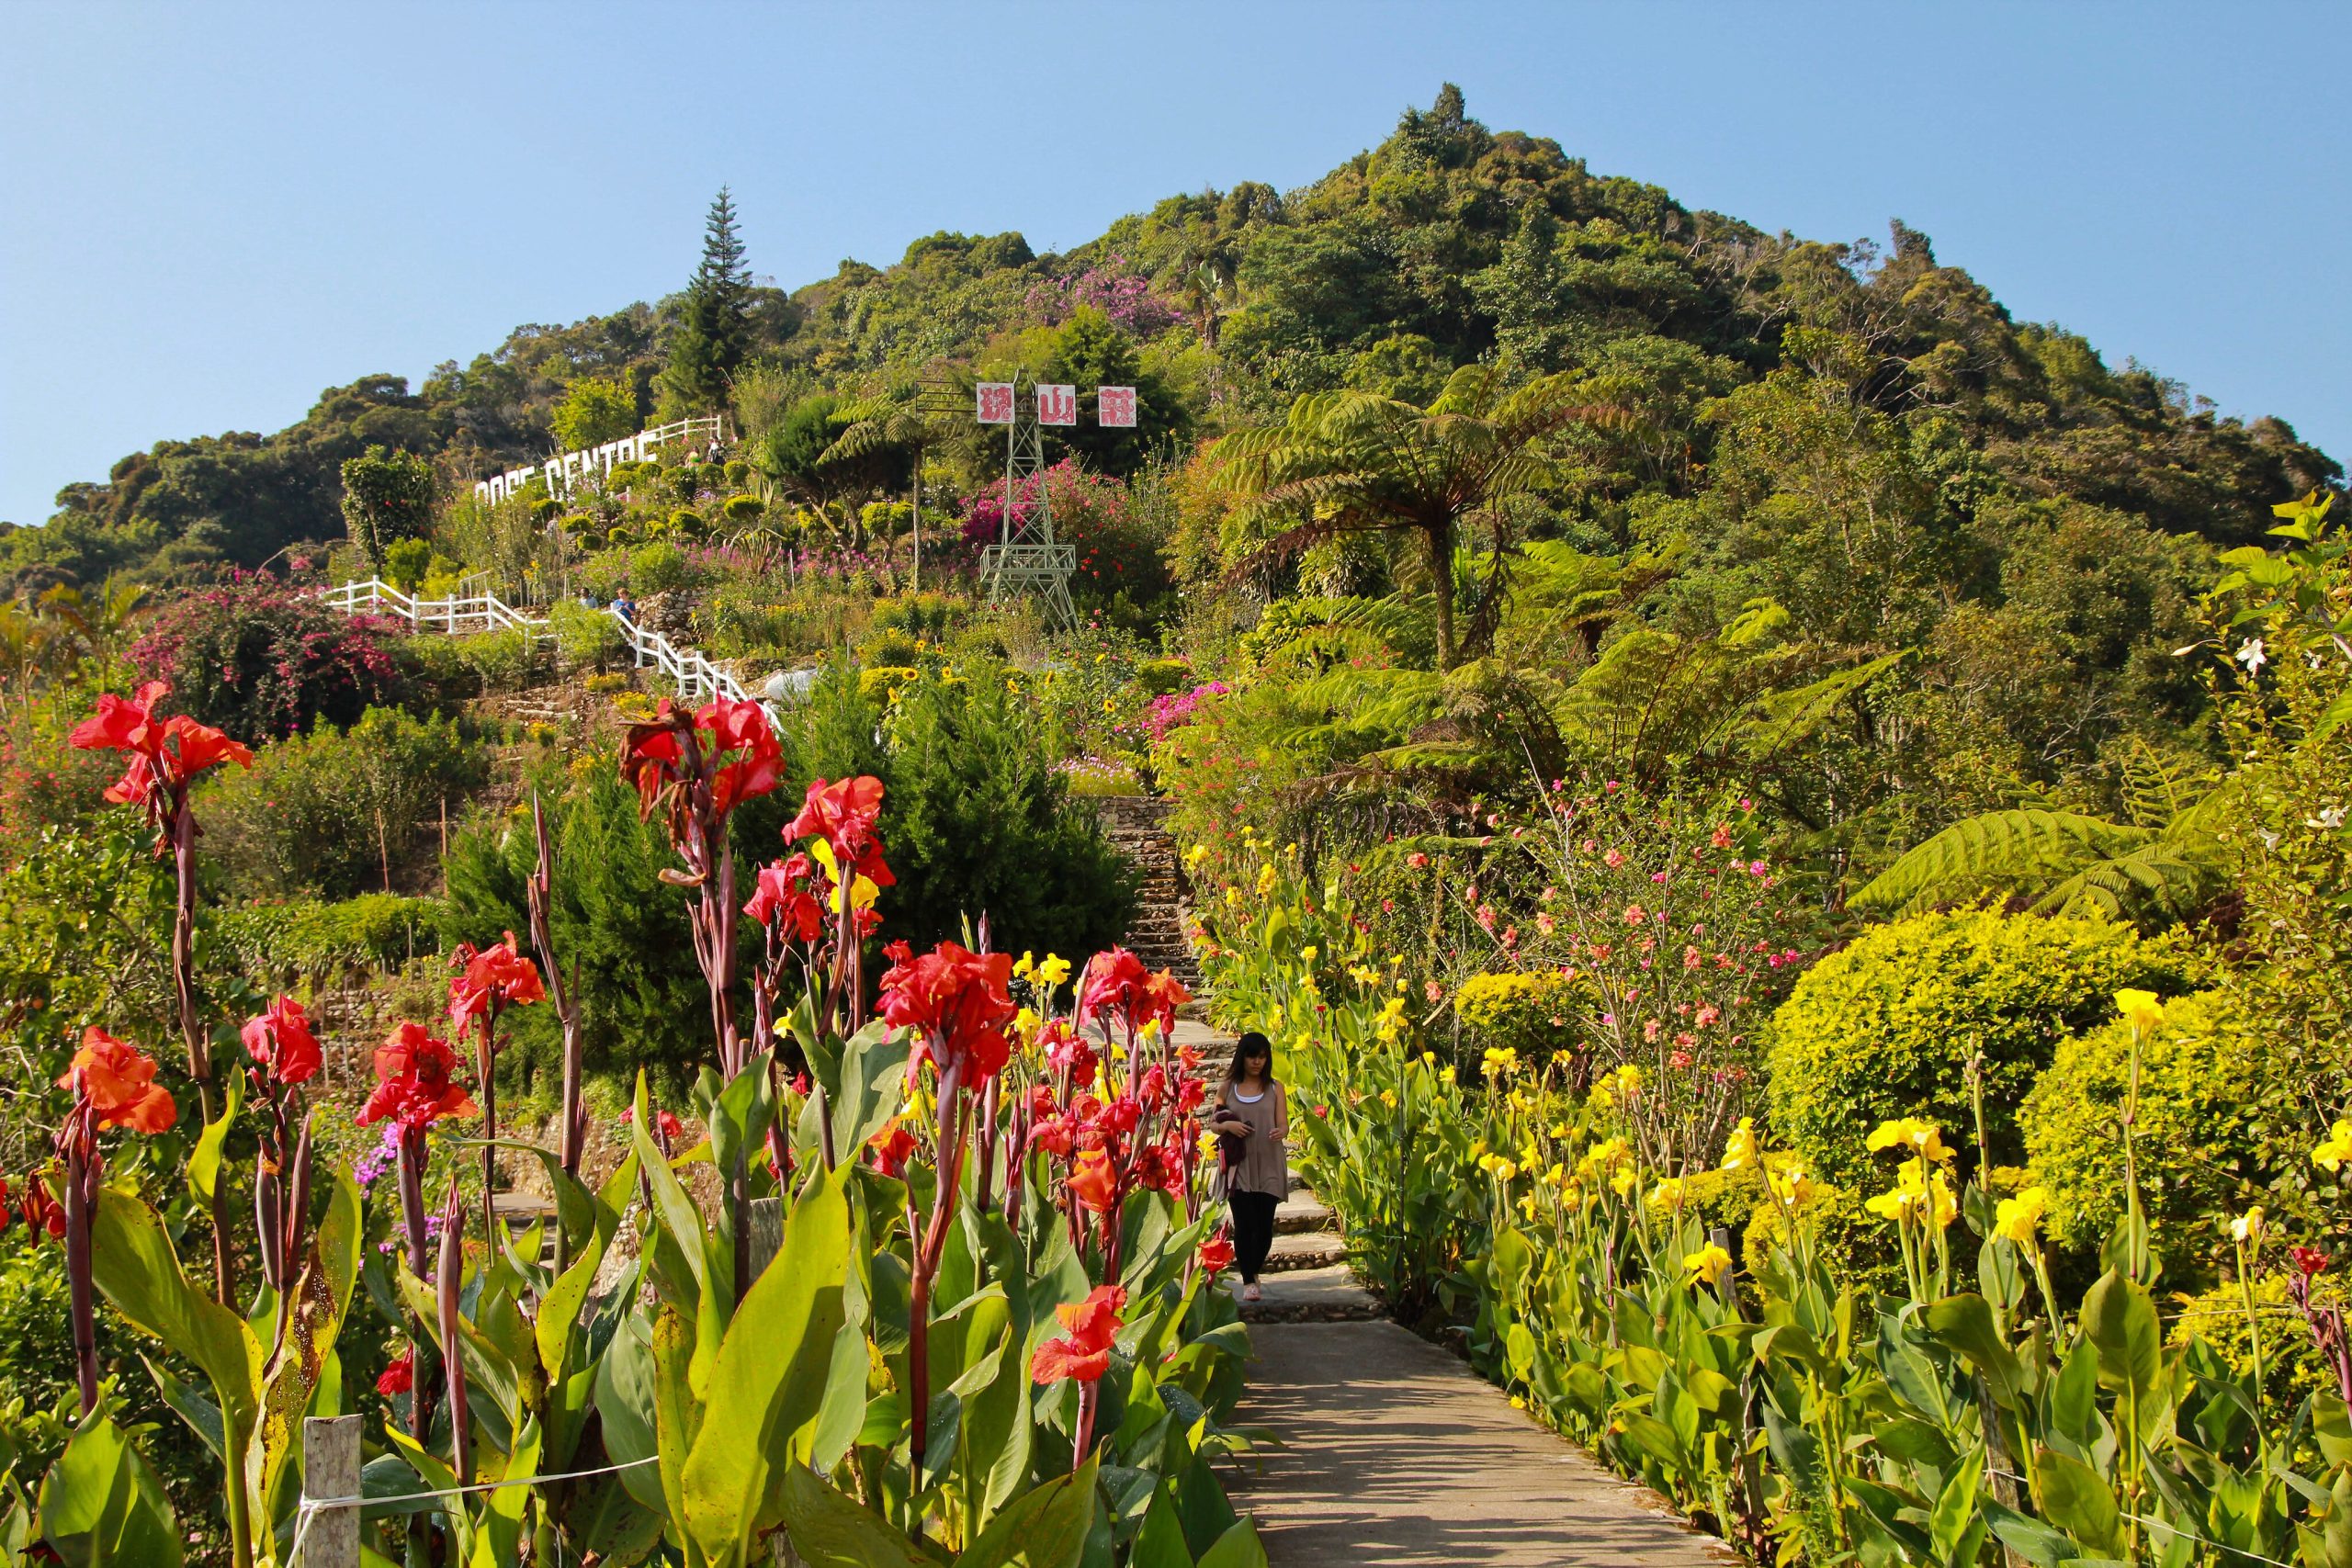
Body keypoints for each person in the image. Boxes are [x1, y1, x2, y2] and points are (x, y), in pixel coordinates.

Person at [1207, 1031, 1287, 1302]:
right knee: (1244, 1224)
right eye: (1252, 1056)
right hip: (1238, 1165)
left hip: (1268, 1162)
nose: (1257, 1062)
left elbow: (1283, 1123)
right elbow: (1214, 1122)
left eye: (1262, 1057)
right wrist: (1228, 1125)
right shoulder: (1228, 1088)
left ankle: (1253, 1268)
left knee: (1264, 1226)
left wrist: (1281, 1132)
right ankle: (1249, 1280)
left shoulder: (1276, 1088)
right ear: (1242, 1057)